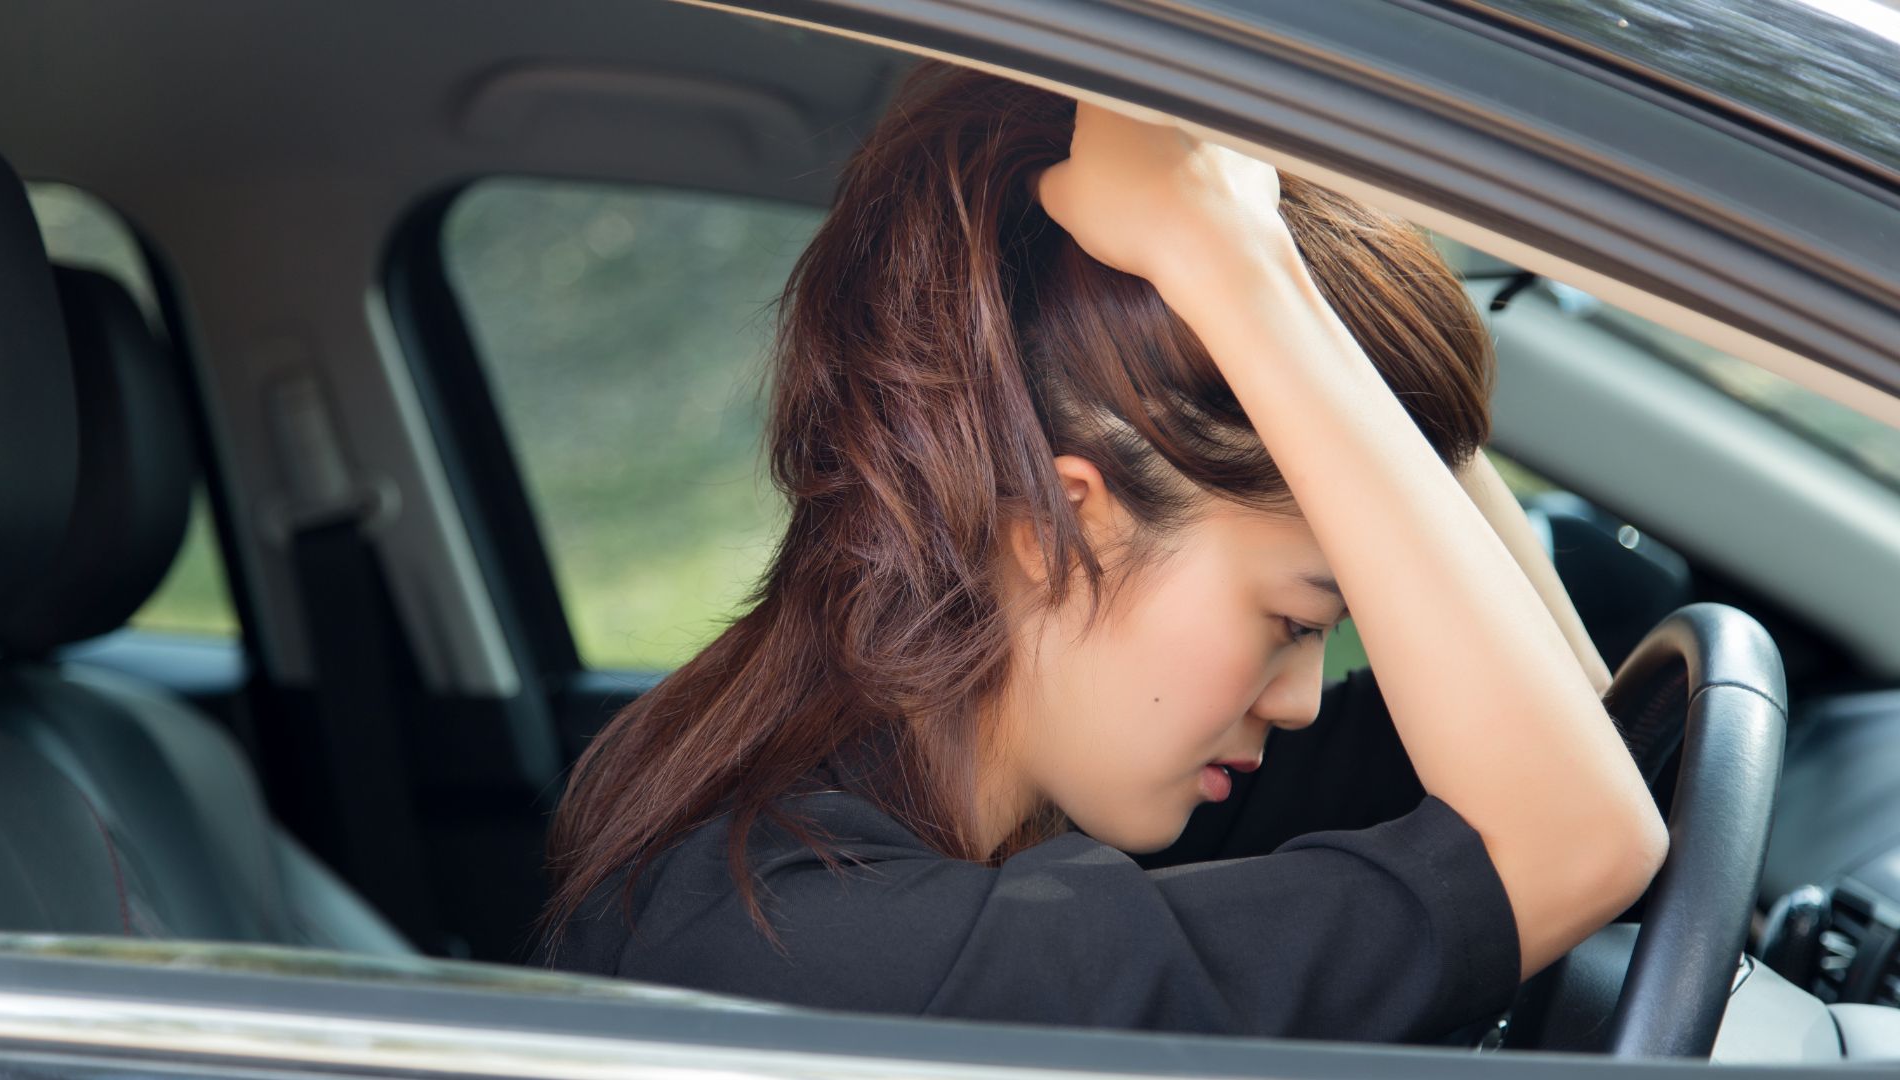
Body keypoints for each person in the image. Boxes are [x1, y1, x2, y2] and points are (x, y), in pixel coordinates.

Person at [528, 60, 1666, 1044]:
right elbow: (1575, 840)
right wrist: (1235, 275)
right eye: (1295, 622)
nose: (1305, 700)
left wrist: (1327, 316)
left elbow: (1573, 729)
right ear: (1066, 521)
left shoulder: (966, 788)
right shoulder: (855, 961)